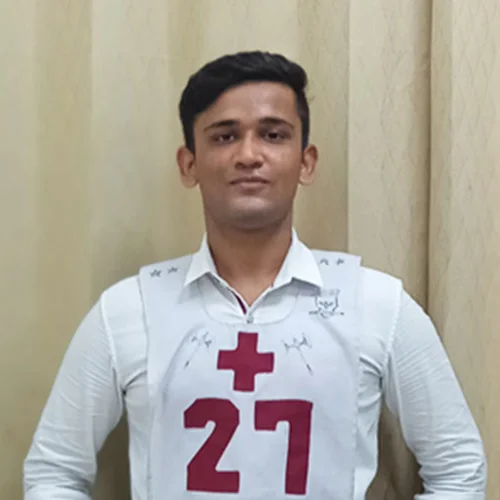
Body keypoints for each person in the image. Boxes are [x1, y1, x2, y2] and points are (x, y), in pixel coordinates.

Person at [24, 51, 486, 500]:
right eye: (225, 136)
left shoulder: (377, 305)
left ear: (306, 161)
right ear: (189, 164)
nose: (249, 154)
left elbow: (459, 471)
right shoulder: (128, 310)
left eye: (273, 134)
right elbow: (54, 473)